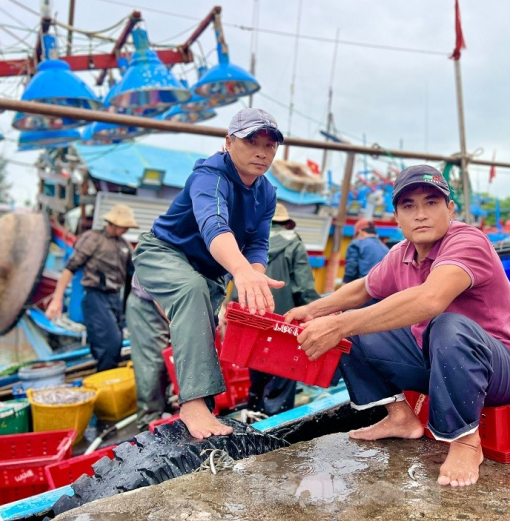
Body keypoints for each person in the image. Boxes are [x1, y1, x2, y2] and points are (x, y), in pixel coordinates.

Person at [285, 164, 510, 488]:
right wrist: (312, 310)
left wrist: (340, 325)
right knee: (352, 331)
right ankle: (401, 418)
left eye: (431, 203)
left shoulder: (468, 242)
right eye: (409, 206)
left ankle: (466, 442)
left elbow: (431, 299)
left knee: (447, 326)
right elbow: (362, 290)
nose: (421, 214)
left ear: (450, 209)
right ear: (397, 218)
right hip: (435, 362)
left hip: (500, 369)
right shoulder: (402, 253)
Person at [132, 108, 285, 439]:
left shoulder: (267, 193)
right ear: (228, 142)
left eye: (270, 145)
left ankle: (204, 402)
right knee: (190, 291)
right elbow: (213, 224)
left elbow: (257, 243)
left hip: (208, 272)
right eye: (251, 142)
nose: (262, 152)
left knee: (206, 323)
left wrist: (253, 277)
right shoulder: (210, 175)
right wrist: (241, 270)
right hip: (164, 253)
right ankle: (192, 405)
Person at [222, 203, 321, 415]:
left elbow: (236, 283)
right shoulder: (293, 243)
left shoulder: (247, 244)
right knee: (283, 374)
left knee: (257, 371)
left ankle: (254, 417)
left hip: (251, 318)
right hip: (284, 323)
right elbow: (303, 287)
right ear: (286, 224)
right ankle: (274, 426)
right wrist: (318, 311)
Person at [45, 204, 139, 372]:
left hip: (114, 299)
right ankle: (106, 378)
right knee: (109, 343)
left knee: (115, 344)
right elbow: (70, 268)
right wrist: (57, 299)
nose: (126, 230)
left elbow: (135, 273)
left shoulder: (124, 245)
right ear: (114, 224)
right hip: (96, 297)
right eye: (124, 226)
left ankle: (107, 378)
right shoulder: (93, 239)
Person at [125, 275, 171, 430]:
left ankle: (167, 410)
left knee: (169, 361)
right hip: (148, 301)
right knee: (153, 364)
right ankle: (149, 424)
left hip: (172, 298)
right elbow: (158, 285)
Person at [342, 218, 390, 284]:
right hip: (382, 289)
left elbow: (350, 272)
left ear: (360, 232)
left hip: (363, 287)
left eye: (356, 236)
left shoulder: (356, 244)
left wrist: (344, 288)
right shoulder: (386, 249)